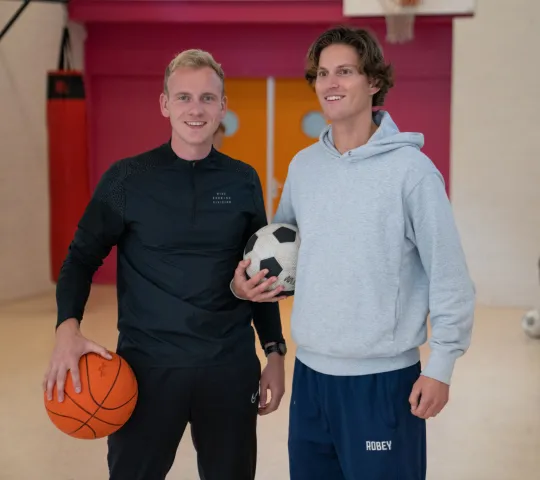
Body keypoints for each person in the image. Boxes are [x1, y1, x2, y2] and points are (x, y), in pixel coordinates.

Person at [233, 26, 476, 480]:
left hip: (382, 383)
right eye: (322, 73)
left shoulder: (412, 172)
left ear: (374, 82)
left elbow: (450, 276)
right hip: (311, 377)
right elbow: (283, 254)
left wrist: (441, 366)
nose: (331, 83)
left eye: (345, 71)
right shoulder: (304, 167)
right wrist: (246, 284)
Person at [42, 49, 287, 480]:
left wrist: (274, 352)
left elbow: (260, 274)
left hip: (227, 368)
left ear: (223, 106)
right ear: (164, 104)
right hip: (146, 370)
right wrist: (68, 329)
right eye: (184, 97)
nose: (196, 109)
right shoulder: (127, 179)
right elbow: (80, 258)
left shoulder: (243, 179)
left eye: (208, 98)